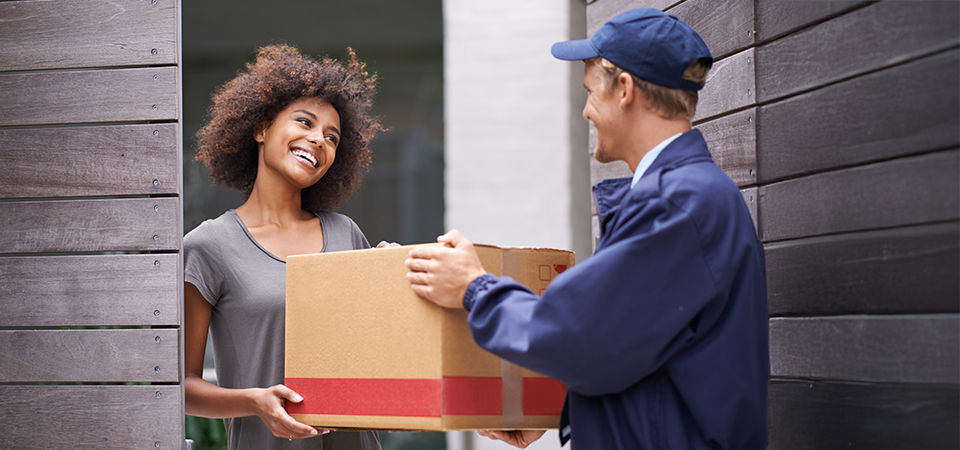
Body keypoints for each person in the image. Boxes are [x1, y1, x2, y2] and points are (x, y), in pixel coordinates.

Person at [404, 8, 768, 450]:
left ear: (625, 89)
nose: (585, 112)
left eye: (590, 92)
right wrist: (566, 410)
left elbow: (575, 334)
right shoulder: (688, 196)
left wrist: (472, 286)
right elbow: (628, 349)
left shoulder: (676, 203)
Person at [184, 44, 387, 450]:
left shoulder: (346, 235)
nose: (318, 141)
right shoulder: (209, 246)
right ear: (261, 129)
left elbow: (376, 356)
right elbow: (180, 387)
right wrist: (253, 402)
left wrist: (392, 287)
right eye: (304, 122)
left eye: (332, 137)